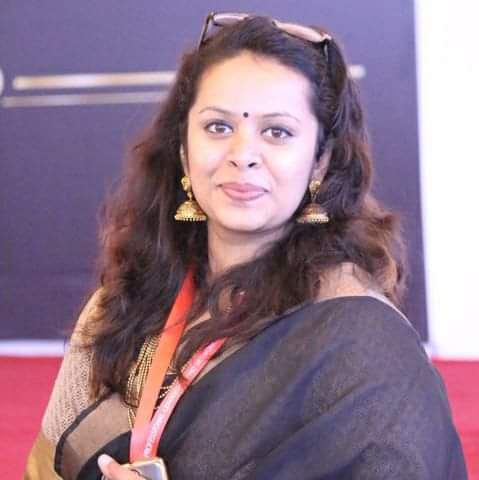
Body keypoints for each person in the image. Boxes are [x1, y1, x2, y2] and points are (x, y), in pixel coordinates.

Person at [25, 12, 467, 480]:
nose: (243, 155)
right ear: (183, 149)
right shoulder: (120, 307)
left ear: (320, 161)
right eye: (218, 127)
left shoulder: (361, 346)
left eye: (277, 132)